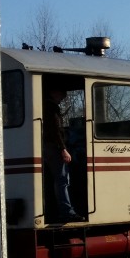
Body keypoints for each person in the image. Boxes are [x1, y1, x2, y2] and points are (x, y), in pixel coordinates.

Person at [43, 87, 82, 222]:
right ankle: (67, 211)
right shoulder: (51, 107)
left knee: (53, 179)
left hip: (47, 146)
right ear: (54, 92)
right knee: (62, 180)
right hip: (53, 146)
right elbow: (55, 130)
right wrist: (63, 149)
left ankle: (54, 209)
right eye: (61, 94)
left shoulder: (44, 105)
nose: (62, 97)